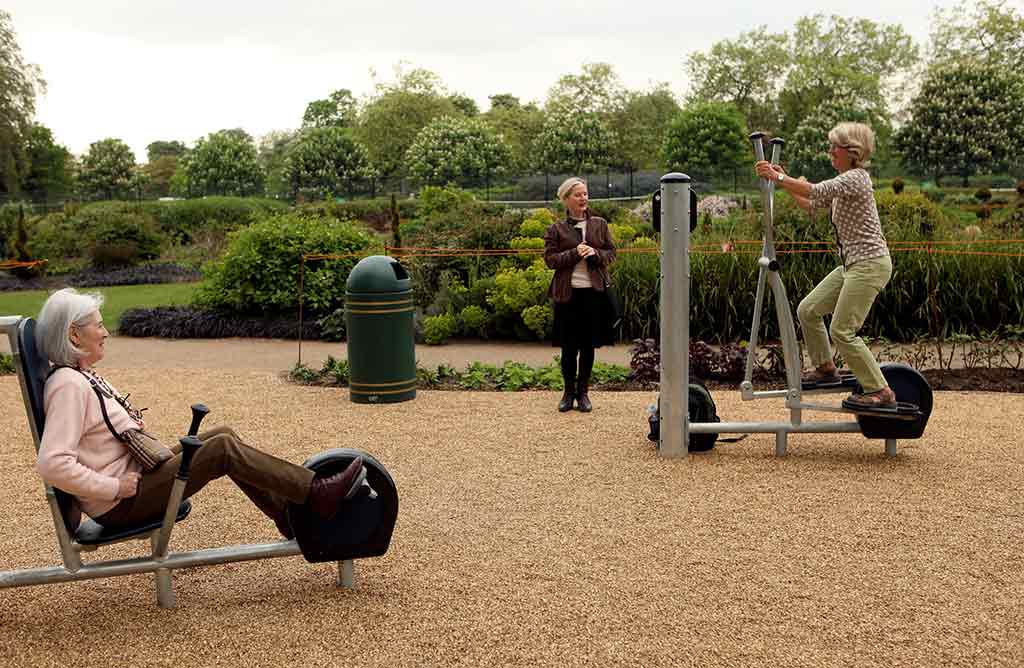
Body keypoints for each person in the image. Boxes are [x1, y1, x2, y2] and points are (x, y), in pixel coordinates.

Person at [33, 287, 365, 540]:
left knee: (222, 435)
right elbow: (52, 463)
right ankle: (316, 493)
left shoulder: (79, 375)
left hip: (136, 477)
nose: (105, 333)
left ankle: (286, 516)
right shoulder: (68, 386)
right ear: (74, 334)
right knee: (220, 451)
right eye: (99, 326)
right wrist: (113, 487)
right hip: (122, 502)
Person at [755, 122, 896, 409]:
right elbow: (811, 202)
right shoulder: (844, 182)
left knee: (842, 330)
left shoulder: (857, 178)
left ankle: (880, 390)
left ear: (852, 151)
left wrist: (779, 177)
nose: (830, 151)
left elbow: (816, 190)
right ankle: (825, 368)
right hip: (851, 265)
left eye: (835, 147)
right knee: (808, 310)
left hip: (869, 264)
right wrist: (781, 178)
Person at [543, 177, 617, 413]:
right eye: (578, 194)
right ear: (566, 199)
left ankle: (583, 393)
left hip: (593, 294)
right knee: (568, 347)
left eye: (585, 193)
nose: (583, 198)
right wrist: (575, 253)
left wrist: (594, 252)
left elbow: (611, 253)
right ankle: (568, 393)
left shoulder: (599, 224)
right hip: (567, 295)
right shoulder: (556, 229)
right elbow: (551, 260)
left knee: (588, 347)